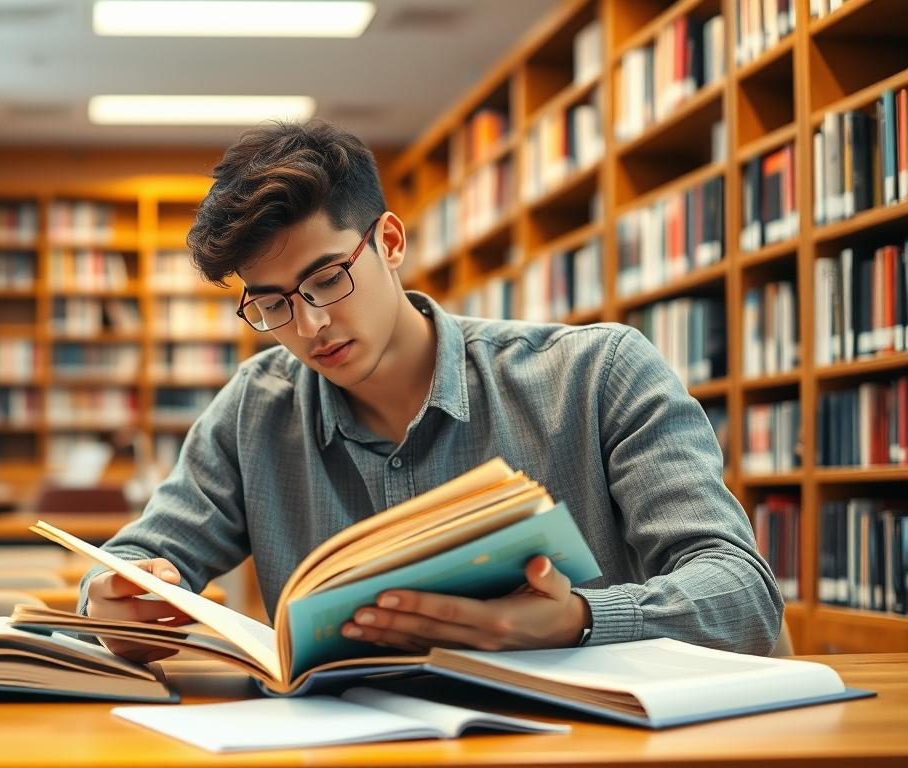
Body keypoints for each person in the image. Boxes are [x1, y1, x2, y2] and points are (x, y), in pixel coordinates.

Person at [79, 120, 782, 662]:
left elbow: (742, 593)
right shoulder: (254, 409)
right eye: (272, 305)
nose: (310, 325)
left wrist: (577, 620)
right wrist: (115, 600)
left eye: (328, 279)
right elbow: (135, 559)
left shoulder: (596, 375)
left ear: (389, 241)